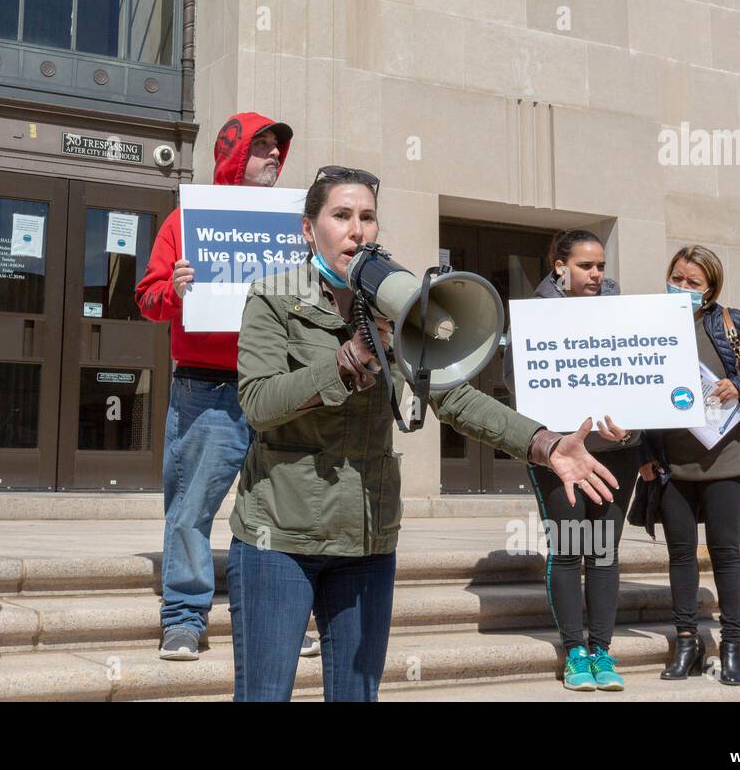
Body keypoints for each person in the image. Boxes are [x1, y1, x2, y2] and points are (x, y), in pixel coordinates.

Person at [229, 166, 620, 701]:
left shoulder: (394, 302)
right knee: (265, 694)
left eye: (367, 217)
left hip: (367, 537)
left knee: (355, 694)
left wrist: (545, 443)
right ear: (308, 229)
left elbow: (456, 397)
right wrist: (349, 361)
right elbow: (258, 402)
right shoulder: (273, 298)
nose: (357, 230)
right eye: (341, 216)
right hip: (280, 535)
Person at [135, 112, 320, 660]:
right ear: (234, 155)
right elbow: (146, 301)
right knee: (191, 509)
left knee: (282, 512)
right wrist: (174, 288)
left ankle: (283, 615)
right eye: (260, 146)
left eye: (275, 149)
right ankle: (184, 618)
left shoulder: (295, 225)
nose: (271, 156)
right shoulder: (183, 222)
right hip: (207, 390)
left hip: (279, 388)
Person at [501, 229, 642, 690]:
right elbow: (514, 382)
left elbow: (644, 378)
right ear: (560, 266)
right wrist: (549, 437)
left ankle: (602, 650)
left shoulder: (624, 313)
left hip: (616, 450)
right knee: (568, 550)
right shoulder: (533, 315)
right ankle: (574, 652)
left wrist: (634, 427)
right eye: (586, 265)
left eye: (600, 265)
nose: (597, 274)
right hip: (559, 454)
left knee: (603, 551)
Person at [638, 244, 740, 687]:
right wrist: (644, 453)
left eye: (692, 282)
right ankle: (687, 640)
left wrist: (739, 385)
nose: (681, 287)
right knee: (680, 554)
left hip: (728, 458)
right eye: (677, 277)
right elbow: (636, 389)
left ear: (710, 288)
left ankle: (732, 644)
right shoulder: (648, 324)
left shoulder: (731, 322)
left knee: (724, 553)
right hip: (672, 464)